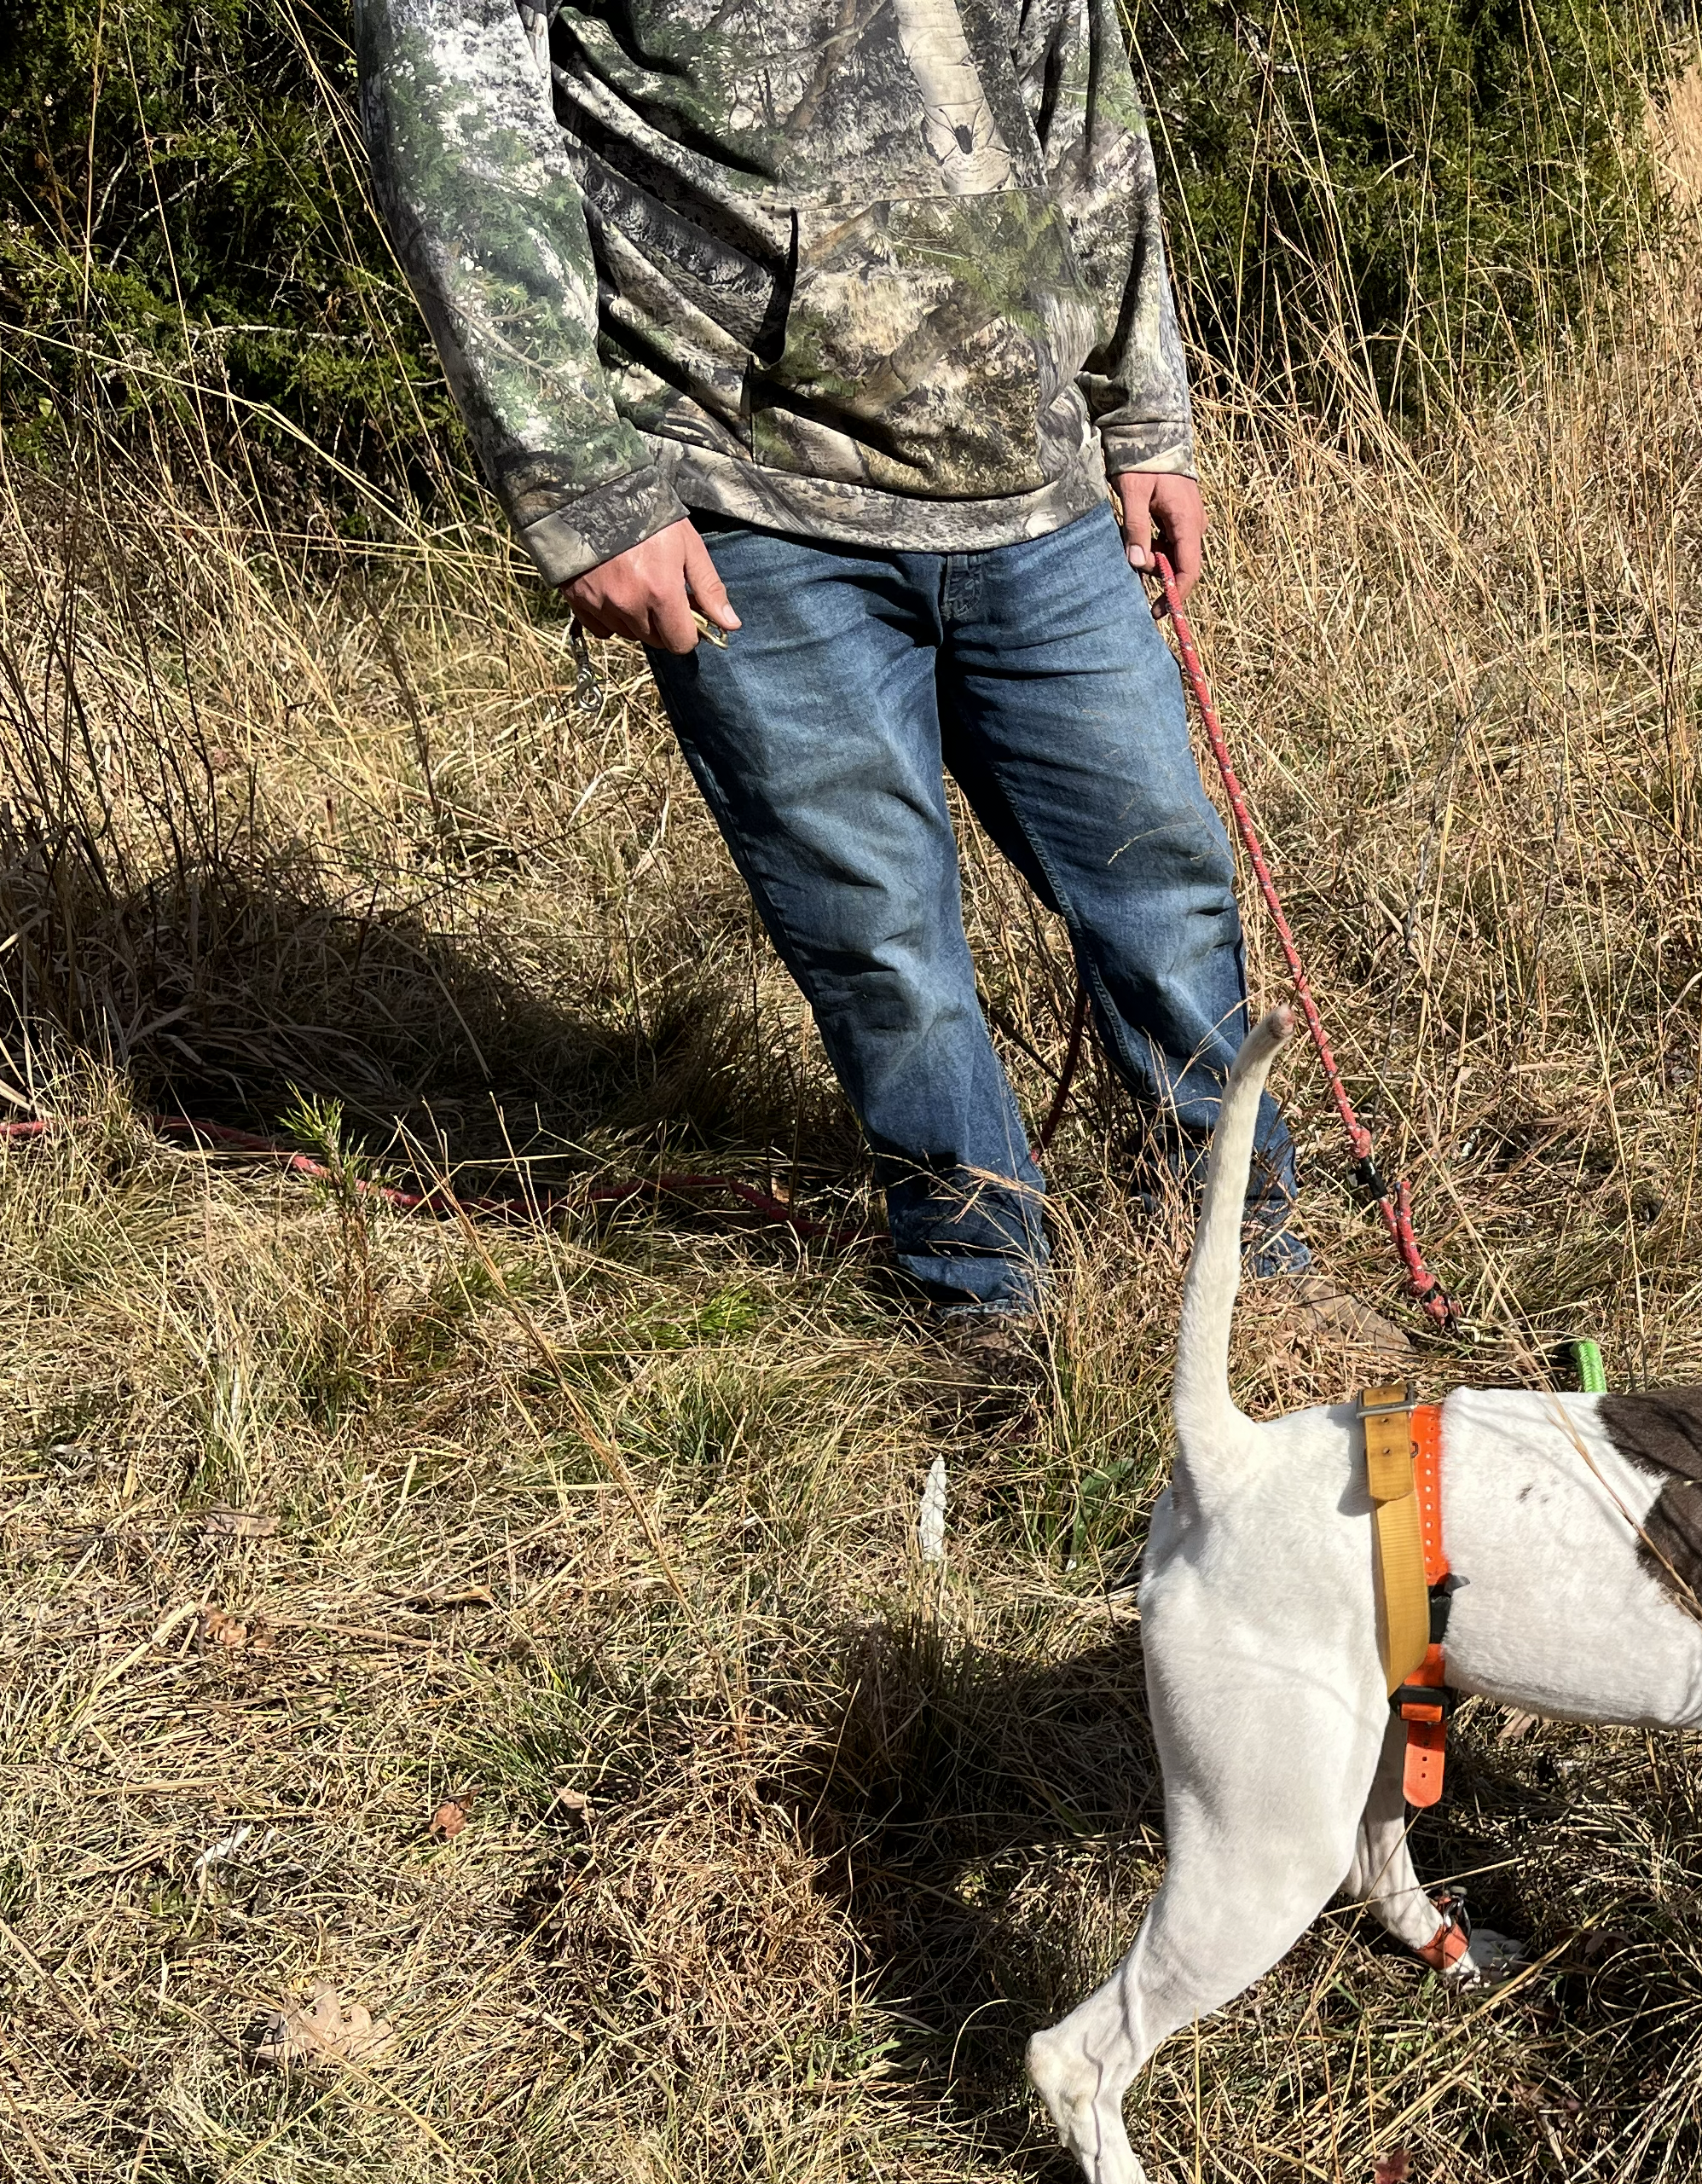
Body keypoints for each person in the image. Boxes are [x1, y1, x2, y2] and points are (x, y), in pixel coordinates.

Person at [350, 0, 1391, 1355]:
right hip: (749, 493)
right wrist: (581, 486)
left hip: (1039, 482)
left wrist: (1142, 414)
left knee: (1165, 876)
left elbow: (1078, 97)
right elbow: (461, 136)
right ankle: (990, 1294)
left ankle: (1244, 1261)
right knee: (878, 936)